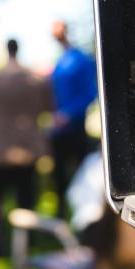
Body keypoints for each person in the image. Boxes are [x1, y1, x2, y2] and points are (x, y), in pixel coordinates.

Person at [0, 39, 56, 254]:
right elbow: (49, 108)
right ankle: (27, 242)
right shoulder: (36, 80)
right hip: (28, 147)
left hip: (0, 147)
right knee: (26, 197)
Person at [49, 20, 99, 218]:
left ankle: (82, 219)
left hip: (76, 128)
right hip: (59, 130)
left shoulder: (79, 60)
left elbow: (91, 92)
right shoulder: (60, 62)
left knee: (80, 177)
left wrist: (68, 114)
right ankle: (60, 217)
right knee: (59, 178)